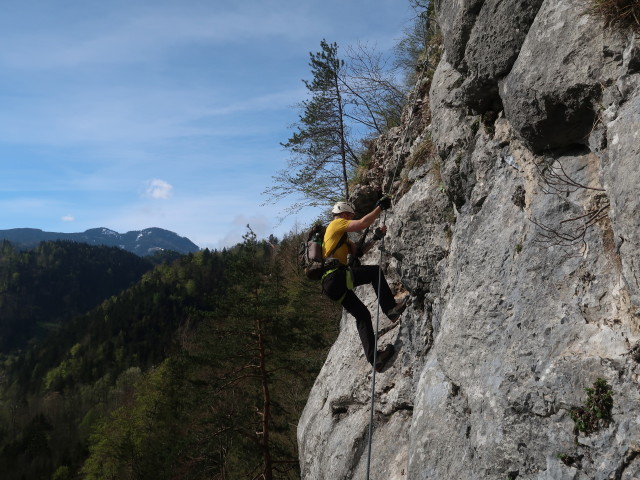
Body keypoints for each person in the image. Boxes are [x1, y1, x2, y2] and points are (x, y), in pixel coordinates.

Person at [321, 199, 407, 372]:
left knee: (362, 315)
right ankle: (390, 309)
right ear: (344, 214)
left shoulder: (340, 240)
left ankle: (375, 359)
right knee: (375, 272)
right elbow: (362, 223)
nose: (350, 219)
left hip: (330, 286)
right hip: (336, 277)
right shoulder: (336, 224)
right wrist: (379, 208)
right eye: (349, 216)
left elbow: (359, 252)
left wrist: (375, 237)